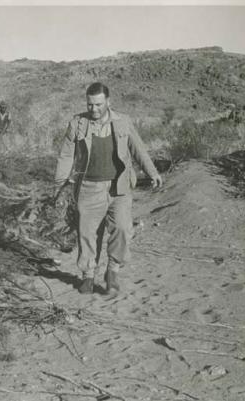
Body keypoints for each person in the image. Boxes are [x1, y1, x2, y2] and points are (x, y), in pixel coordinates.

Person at [54, 82, 162, 295]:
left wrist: (153, 172)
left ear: (108, 102)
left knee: (122, 228)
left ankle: (113, 271)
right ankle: (87, 276)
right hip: (88, 187)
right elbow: (66, 155)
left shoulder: (123, 122)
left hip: (118, 186)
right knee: (87, 233)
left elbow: (138, 148)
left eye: (98, 104)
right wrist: (59, 185)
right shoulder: (77, 124)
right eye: (90, 104)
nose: (93, 109)